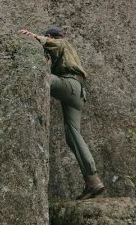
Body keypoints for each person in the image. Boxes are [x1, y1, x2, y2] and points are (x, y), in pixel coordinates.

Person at [20, 26, 104, 200]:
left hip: (68, 85)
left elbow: (54, 44)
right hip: (78, 93)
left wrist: (35, 37)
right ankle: (93, 180)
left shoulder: (61, 42)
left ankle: (92, 180)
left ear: (50, 36)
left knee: (39, 74)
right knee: (72, 134)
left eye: (47, 38)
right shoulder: (70, 49)